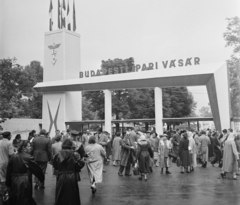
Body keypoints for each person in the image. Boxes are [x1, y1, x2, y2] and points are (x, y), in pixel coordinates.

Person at [6, 140, 44, 205]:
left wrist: (8, 183)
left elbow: (8, 171)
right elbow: (37, 169)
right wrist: (41, 178)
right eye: (29, 146)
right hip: (24, 181)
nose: (30, 147)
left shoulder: (13, 156)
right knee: (25, 198)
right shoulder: (28, 157)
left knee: (16, 197)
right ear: (24, 147)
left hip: (14, 180)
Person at [53, 139, 84, 205]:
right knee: (72, 196)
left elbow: (55, 166)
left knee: (60, 195)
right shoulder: (74, 155)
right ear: (71, 145)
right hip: (71, 176)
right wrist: (82, 161)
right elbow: (79, 166)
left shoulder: (57, 155)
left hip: (61, 176)